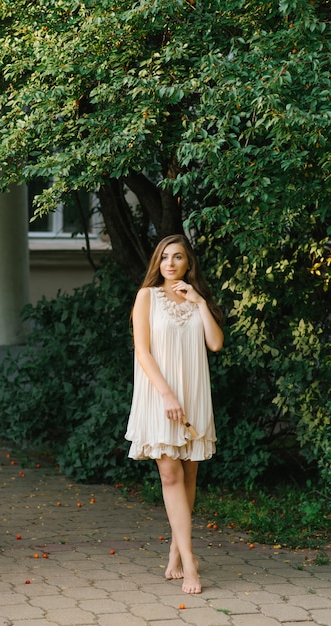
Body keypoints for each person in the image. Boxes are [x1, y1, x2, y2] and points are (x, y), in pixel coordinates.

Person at [125, 234, 224, 595]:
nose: (169, 263)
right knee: (169, 474)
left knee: (188, 476)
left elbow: (214, 343)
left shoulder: (196, 300)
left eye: (178, 257)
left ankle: (175, 548)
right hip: (159, 395)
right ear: (158, 262)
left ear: (188, 264)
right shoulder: (146, 297)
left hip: (194, 394)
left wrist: (198, 300)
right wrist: (166, 395)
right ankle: (191, 561)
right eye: (164, 257)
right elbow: (142, 351)